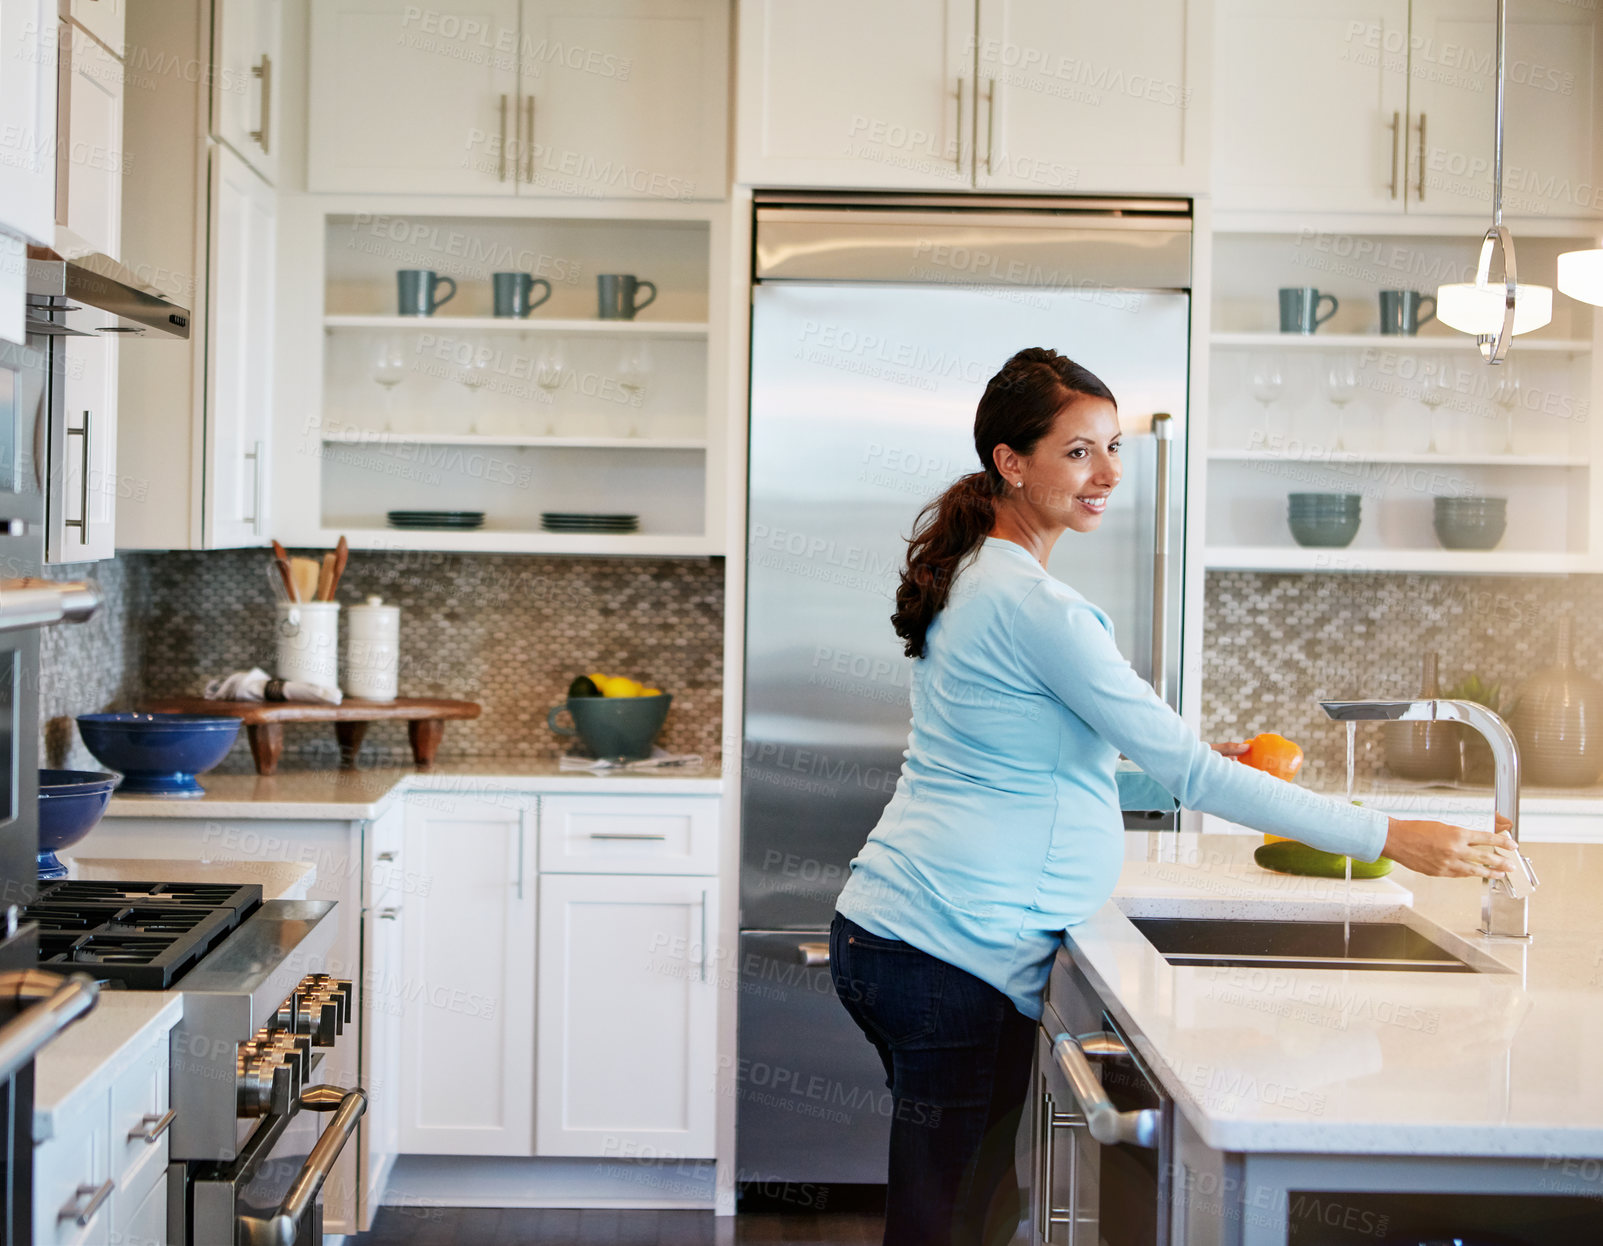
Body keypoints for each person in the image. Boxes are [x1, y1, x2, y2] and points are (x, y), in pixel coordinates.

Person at [829, 347, 1516, 1246]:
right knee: (953, 1221)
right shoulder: (1040, 607)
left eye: (1112, 447)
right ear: (1011, 461)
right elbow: (1195, 777)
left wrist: (1177, 762)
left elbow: (1032, 763)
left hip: (898, 935)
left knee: (956, 1208)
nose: (1109, 473)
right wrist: (1390, 835)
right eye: (1079, 452)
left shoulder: (977, 575)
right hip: (948, 957)